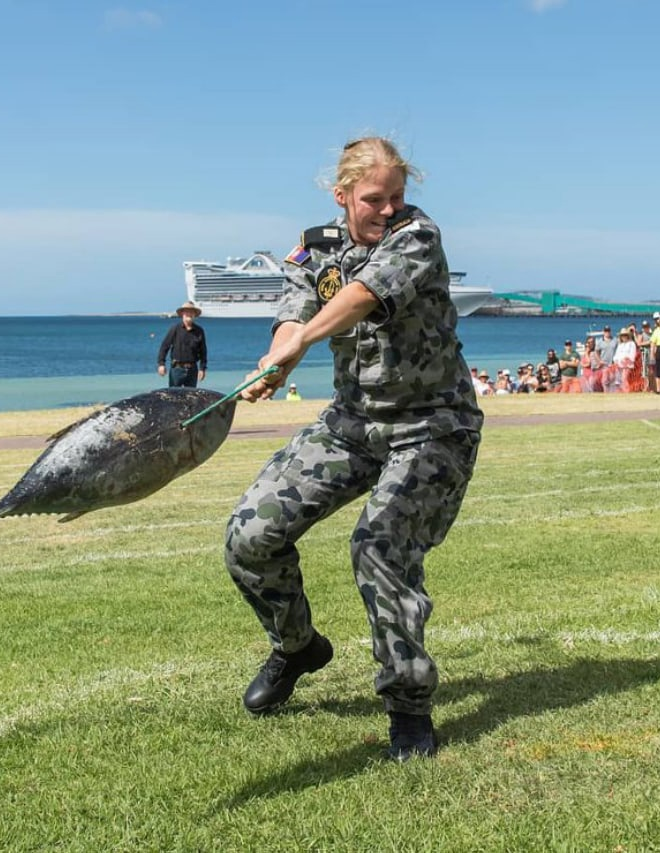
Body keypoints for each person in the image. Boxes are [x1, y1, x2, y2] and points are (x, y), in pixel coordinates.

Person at [224, 137, 483, 762]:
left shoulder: (417, 237)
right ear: (342, 196)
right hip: (353, 423)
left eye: (397, 195)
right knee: (249, 537)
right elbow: (296, 309)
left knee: (380, 547)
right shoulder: (315, 246)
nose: (389, 208)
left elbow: (361, 296)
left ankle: (408, 708)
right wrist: (277, 358)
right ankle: (297, 648)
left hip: (432, 426)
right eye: (374, 198)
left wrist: (304, 340)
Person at [156, 300, 208, 387]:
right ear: (182, 314)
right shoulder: (175, 329)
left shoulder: (199, 331)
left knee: (190, 396)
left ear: (194, 315)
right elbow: (164, 347)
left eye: (191, 312)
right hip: (177, 369)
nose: (189, 314)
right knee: (174, 396)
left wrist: (202, 369)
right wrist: (161, 364)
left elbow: (203, 352)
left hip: (192, 369)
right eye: (186, 312)